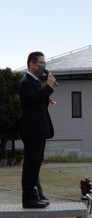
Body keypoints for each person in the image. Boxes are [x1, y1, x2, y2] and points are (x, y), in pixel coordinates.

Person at [19, 51, 56, 208]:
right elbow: (33, 102)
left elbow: (39, 103)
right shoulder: (26, 83)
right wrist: (47, 87)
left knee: (36, 164)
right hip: (32, 130)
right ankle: (28, 198)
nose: (43, 66)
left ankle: (34, 196)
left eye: (44, 63)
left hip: (39, 130)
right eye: (41, 63)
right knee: (31, 164)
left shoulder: (35, 83)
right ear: (31, 64)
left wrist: (46, 95)